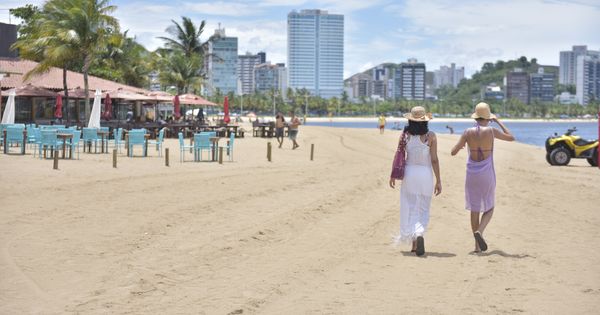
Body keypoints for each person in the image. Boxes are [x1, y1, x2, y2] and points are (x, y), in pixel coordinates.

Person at [451, 102, 514, 253]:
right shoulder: (492, 131)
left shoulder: (467, 132)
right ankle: (480, 231)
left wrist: (461, 146)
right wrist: (498, 121)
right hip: (487, 174)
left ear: (475, 117)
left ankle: (476, 246)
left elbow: (453, 152)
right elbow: (511, 137)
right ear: (488, 118)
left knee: (474, 209)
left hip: (472, 174)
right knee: (490, 207)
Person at [389, 106, 442, 256]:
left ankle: (415, 241)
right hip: (425, 174)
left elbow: (398, 155)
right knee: (423, 207)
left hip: (409, 173)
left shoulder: (405, 135)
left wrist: (393, 174)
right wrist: (438, 180)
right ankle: (419, 235)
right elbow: (434, 160)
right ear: (425, 121)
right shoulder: (431, 136)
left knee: (410, 206)